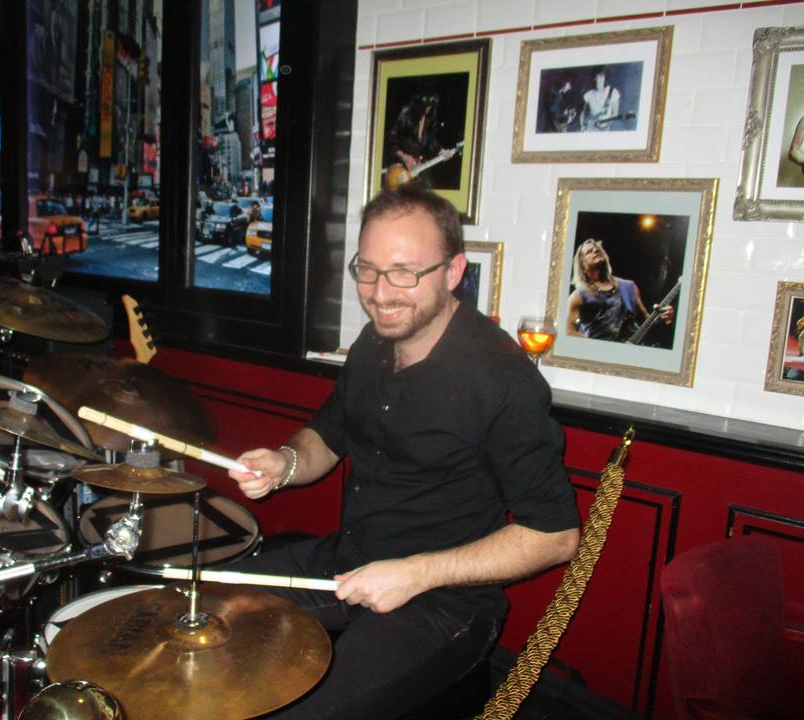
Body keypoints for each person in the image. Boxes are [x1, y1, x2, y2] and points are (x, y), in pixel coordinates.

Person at [228, 184, 581, 720]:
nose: (379, 292)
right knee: (212, 605)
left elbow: (555, 537)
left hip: (443, 605)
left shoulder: (502, 379)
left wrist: (414, 573)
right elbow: (327, 435)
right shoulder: (374, 342)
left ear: (454, 271)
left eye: (403, 272)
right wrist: (285, 463)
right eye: (367, 270)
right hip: (347, 564)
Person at [566, 238, 674, 342]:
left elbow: (646, 321)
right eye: (589, 251)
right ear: (582, 265)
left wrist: (662, 317)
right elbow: (568, 331)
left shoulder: (629, 286)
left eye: (597, 250)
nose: (595, 250)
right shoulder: (578, 296)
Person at [386, 94, 456, 188]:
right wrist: (404, 157)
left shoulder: (428, 119)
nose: (428, 108)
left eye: (430, 105)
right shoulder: (405, 115)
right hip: (398, 169)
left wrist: (442, 151)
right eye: (426, 105)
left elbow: (429, 140)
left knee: (429, 188)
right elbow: (391, 140)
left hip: (417, 167)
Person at [580, 66, 621, 132]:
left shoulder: (612, 92)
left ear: (605, 78)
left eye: (601, 77)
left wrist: (606, 123)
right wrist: (582, 125)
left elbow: (615, 114)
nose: (598, 80)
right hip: (590, 130)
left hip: (605, 130)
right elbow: (582, 113)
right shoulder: (589, 94)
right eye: (596, 77)